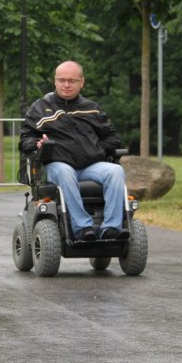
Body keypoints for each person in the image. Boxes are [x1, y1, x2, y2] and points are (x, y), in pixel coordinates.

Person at [19, 60, 129, 241]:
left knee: (115, 170)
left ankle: (111, 228)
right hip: (56, 166)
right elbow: (25, 140)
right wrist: (36, 144)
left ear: (82, 82)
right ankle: (82, 228)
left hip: (90, 166)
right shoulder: (39, 108)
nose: (66, 84)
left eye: (72, 80)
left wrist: (99, 149)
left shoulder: (92, 109)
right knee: (65, 171)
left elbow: (112, 137)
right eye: (62, 80)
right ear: (55, 81)